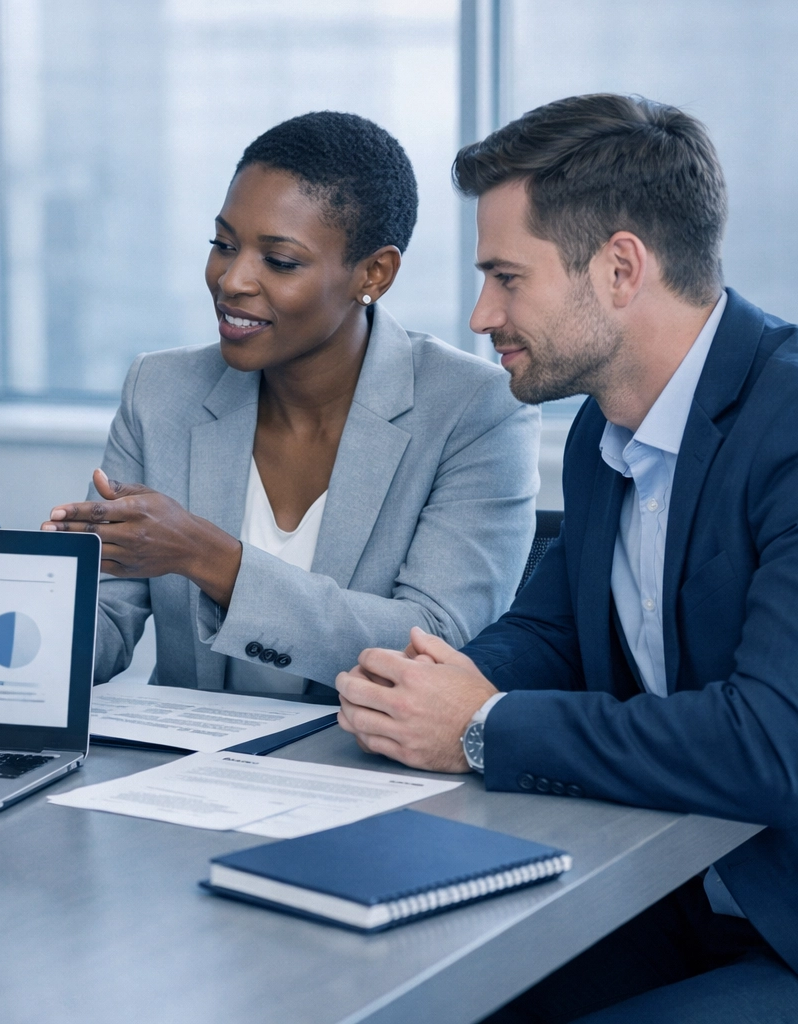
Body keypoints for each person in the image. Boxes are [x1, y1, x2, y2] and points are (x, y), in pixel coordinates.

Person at [335, 94, 798, 1020]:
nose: (479, 315)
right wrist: (428, 687)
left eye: (507, 278)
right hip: (662, 890)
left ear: (621, 267)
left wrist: (481, 726)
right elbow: (551, 633)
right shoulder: (602, 433)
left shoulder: (786, 423)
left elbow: (771, 744)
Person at [42, 112, 539, 694]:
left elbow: (431, 642)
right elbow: (106, 623)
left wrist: (207, 556)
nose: (232, 280)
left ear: (374, 273)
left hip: (366, 770)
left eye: (279, 261)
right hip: (179, 771)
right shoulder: (160, 390)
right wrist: (46, 598)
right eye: (223, 244)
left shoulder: (475, 410)